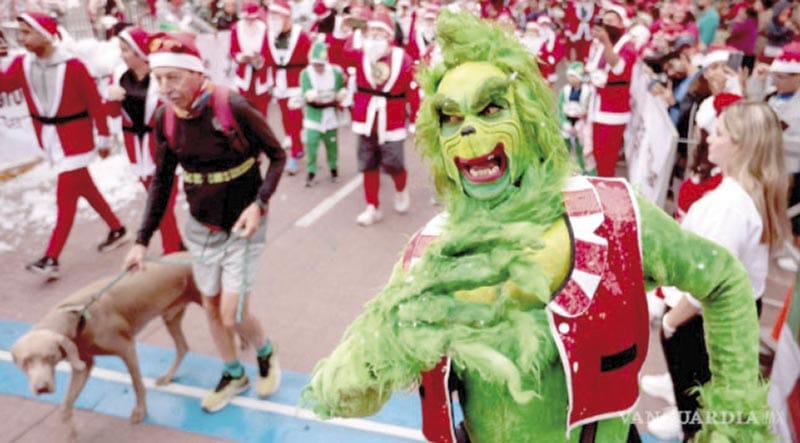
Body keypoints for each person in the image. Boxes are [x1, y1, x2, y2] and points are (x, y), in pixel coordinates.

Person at [122, 31, 285, 413]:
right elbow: (162, 182)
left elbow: (277, 156)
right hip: (201, 227)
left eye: (173, 77)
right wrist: (142, 240)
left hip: (243, 226)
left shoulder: (233, 105)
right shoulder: (165, 118)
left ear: (196, 74)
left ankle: (264, 350)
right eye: (159, 78)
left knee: (232, 312)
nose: (164, 87)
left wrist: (259, 204)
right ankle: (233, 373)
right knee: (211, 306)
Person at [647, 100, 790, 440]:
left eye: (720, 134)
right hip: (721, 319)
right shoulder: (746, 194)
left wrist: (670, 322)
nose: (709, 138)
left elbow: (707, 282)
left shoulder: (729, 207)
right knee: (701, 402)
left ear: (740, 146)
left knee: (697, 414)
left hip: (700, 323)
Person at [0, 11, 128, 279]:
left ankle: (51, 257)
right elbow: (4, 85)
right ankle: (116, 228)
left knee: (65, 199)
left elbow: (95, 103)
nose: (20, 39)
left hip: (77, 139)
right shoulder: (23, 63)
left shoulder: (74, 66)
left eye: (26, 32)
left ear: (45, 35)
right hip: (50, 138)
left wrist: (103, 138)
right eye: (19, 32)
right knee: (85, 188)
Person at [106, 25, 184, 255]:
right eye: (120, 49)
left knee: (162, 204)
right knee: (158, 204)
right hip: (137, 149)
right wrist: (111, 99)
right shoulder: (119, 75)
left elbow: (179, 109)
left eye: (126, 50)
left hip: (164, 146)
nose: (122, 55)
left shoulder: (162, 74)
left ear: (140, 52)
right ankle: (176, 244)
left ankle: (171, 250)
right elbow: (111, 114)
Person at [341, 11, 419, 226]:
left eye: (379, 32)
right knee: (368, 164)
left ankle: (401, 189)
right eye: (371, 31)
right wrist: (353, 30)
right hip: (366, 118)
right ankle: (372, 206)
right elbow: (343, 54)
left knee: (394, 164)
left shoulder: (403, 59)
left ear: (388, 35)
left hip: (392, 118)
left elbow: (413, 91)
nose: (374, 36)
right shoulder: (360, 54)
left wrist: (414, 119)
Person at [586, 4, 637, 177]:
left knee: (607, 158)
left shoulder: (627, 46)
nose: (607, 25)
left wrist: (606, 41)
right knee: (597, 153)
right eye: (604, 21)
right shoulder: (598, 44)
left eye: (611, 21)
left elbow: (618, 68)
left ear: (622, 24)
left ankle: (606, 189)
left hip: (613, 109)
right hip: (597, 106)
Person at [264, 0, 312, 174]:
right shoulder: (270, 35)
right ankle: (296, 146)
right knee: (285, 117)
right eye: (271, 15)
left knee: (294, 117)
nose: (273, 19)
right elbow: (265, 58)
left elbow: (310, 59)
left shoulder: (301, 35)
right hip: (279, 83)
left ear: (286, 15)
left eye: (276, 15)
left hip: (296, 82)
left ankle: (293, 154)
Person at [299, 40, 346, 187]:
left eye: (321, 64)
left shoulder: (335, 72)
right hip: (313, 115)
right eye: (315, 64)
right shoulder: (306, 73)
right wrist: (313, 96)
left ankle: (334, 169)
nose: (318, 68)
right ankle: (311, 173)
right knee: (311, 145)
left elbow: (341, 89)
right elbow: (307, 93)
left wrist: (340, 94)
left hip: (330, 114)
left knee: (332, 146)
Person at [230, 1, 271, 117]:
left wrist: (260, 59)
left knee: (261, 110)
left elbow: (268, 52)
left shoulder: (264, 28)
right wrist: (240, 57)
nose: (251, 22)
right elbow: (233, 51)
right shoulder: (236, 28)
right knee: (245, 109)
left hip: (261, 75)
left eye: (253, 19)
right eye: (248, 19)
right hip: (244, 75)